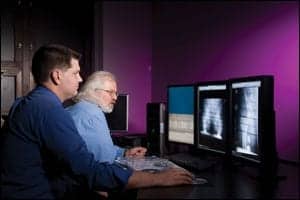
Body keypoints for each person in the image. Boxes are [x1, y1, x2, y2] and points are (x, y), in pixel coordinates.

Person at [1, 44, 193, 199]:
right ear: (57, 76)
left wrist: (123, 152)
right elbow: (89, 170)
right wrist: (156, 179)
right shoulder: (49, 109)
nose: (80, 78)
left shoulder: (28, 103)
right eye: (76, 73)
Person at [66, 71, 146, 164]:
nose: (115, 98)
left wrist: (125, 152)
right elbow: (105, 161)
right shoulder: (93, 113)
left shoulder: (76, 108)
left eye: (116, 93)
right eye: (110, 92)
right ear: (93, 91)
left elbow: (104, 150)